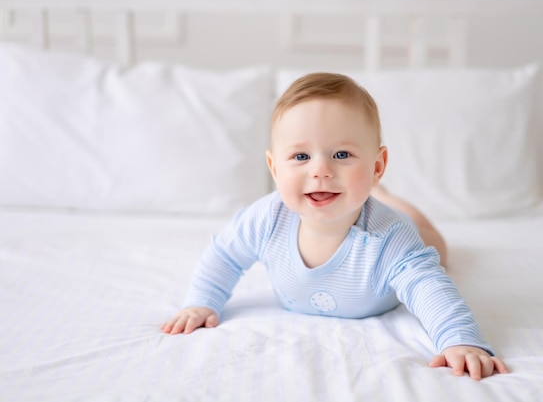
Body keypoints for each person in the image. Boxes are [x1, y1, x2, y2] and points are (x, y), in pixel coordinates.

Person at [161, 72, 508, 380]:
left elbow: (429, 288)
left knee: (434, 245)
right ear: (274, 167)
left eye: (341, 155)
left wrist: (459, 340)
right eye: (300, 157)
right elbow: (225, 255)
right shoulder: (265, 219)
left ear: (377, 165)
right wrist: (201, 302)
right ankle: (381, 194)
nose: (320, 171)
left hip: (409, 235)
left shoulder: (392, 238)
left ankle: (386, 197)